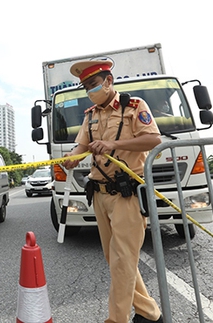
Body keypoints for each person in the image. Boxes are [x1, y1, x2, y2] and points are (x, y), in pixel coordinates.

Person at [62, 60, 163, 323]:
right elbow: (81, 146)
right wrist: (72, 158)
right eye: (85, 87)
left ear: (109, 81)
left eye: (93, 85)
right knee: (117, 259)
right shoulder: (90, 115)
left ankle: (116, 319)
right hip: (99, 193)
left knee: (121, 261)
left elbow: (153, 139)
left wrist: (113, 143)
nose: (89, 91)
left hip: (127, 193)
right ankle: (150, 313)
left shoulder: (134, 106)